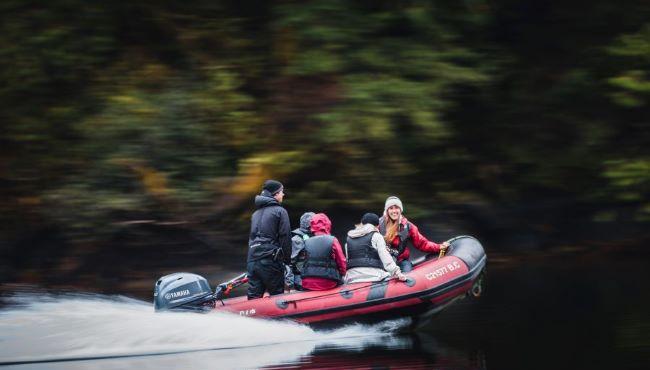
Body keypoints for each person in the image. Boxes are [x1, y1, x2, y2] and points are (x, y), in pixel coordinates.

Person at [246, 180, 291, 299]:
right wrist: (287, 261)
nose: (283, 194)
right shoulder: (280, 211)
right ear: (275, 194)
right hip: (270, 260)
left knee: (254, 298)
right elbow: (285, 236)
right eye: (282, 192)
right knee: (277, 296)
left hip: (252, 260)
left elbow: (252, 238)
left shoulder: (255, 214)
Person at [379, 196, 449, 273]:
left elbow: (423, 244)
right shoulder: (378, 224)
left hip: (401, 262)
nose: (394, 211)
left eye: (396, 208)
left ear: (400, 210)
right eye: (391, 208)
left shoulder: (409, 226)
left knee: (408, 277)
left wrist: (439, 247)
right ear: (387, 210)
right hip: (382, 263)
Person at [344, 212, 407, 284]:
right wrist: (397, 273)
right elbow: (386, 258)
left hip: (352, 279)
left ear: (362, 224)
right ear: (377, 226)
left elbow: (348, 261)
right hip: (374, 276)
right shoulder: (377, 236)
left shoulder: (349, 239)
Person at [301, 213, 347, 291]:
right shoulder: (333, 240)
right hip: (327, 282)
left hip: (307, 282)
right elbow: (342, 263)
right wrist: (344, 274)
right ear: (327, 224)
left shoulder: (307, 241)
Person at [289, 211, 315, 290]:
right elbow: (289, 264)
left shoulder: (313, 237)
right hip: (300, 279)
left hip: (312, 277)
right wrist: (290, 286)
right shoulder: (297, 240)